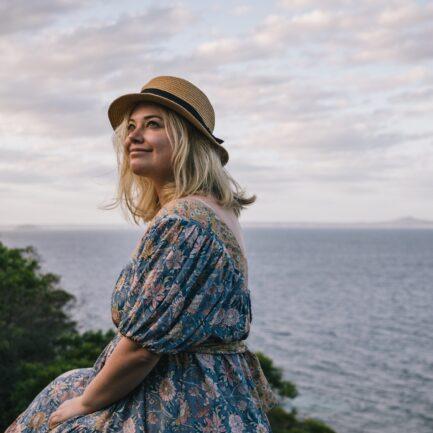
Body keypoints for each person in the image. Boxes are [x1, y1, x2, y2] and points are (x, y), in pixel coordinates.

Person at [5, 76, 279, 433]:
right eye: (131, 127)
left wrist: (87, 403)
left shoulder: (184, 221)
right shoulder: (212, 211)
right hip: (212, 390)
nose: (133, 136)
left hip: (180, 401)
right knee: (64, 388)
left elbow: (141, 350)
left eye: (153, 125)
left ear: (188, 141)